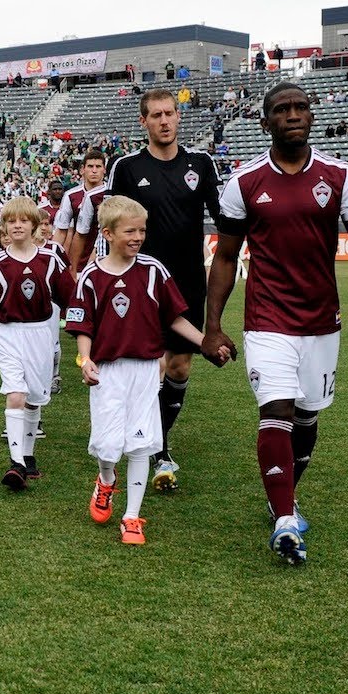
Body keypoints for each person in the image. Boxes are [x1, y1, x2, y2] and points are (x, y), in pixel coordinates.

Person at [205, 82, 348, 565]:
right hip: (267, 318)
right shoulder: (244, 183)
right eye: (282, 109)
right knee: (276, 410)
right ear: (265, 121)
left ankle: (285, 494)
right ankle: (284, 521)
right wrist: (212, 325)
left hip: (322, 320)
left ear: (311, 116)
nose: (293, 114)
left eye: (300, 107)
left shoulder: (339, 176)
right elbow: (227, 256)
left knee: (308, 416)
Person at [68, 196, 226, 545]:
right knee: (108, 448)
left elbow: (173, 317)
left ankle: (132, 517)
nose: (138, 236)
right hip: (107, 371)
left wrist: (204, 342)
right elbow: (83, 325)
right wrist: (86, 359)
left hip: (145, 370)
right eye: (130, 231)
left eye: (142, 230)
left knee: (140, 446)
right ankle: (106, 481)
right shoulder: (92, 276)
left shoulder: (154, 270)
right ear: (108, 233)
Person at [104, 89, 221, 490]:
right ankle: (144, 442)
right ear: (144, 122)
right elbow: (113, 225)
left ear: (179, 116)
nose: (164, 121)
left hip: (188, 280)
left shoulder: (201, 164)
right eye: (155, 115)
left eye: (170, 113)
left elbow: (224, 215)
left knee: (179, 365)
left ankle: (158, 442)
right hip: (140, 282)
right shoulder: (126, 167)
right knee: (142, 366)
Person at [0, 197, 70, 491]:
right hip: (9, 334)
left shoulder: (50, 260)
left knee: (33, 399)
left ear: (34, 225)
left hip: (41, 334)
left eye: (23, 220)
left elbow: (71, 300)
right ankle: (16, 463)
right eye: (11, 221)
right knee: (15, 394)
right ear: (5, 226)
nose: (17, 225)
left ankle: (28, 456)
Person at [56, 150, 108, 276]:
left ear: (104, 170)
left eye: (98, 167)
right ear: (82, 170)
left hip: (106, 258)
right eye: (90, 166)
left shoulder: (110, 193)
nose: (94, 170)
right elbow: (61, 231)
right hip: (79, 261)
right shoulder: (71, 195)